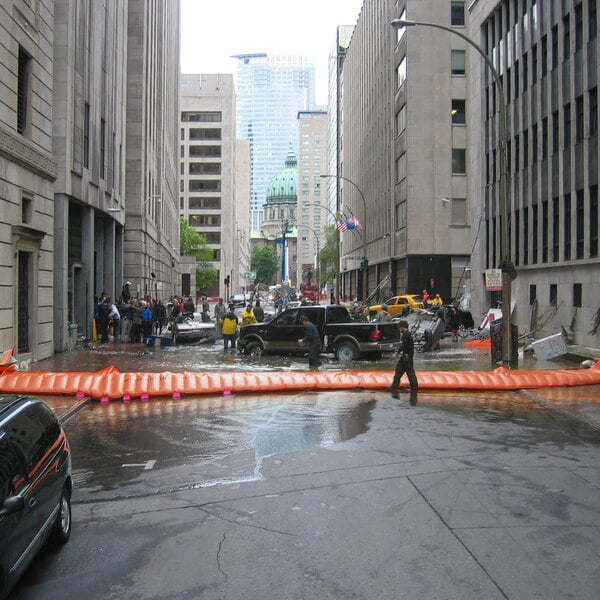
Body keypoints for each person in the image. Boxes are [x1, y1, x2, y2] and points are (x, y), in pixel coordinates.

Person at [389, 319, 418, 401]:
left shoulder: (406, 335)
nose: (399, 330)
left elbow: (404, 345)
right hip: (407, 356)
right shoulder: (408, 334)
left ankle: (414, 388)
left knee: (409, 372)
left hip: (406, 357)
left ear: (402, 327)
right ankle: (394, 386)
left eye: (400, 328)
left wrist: (397, 352)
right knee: (399, 370)